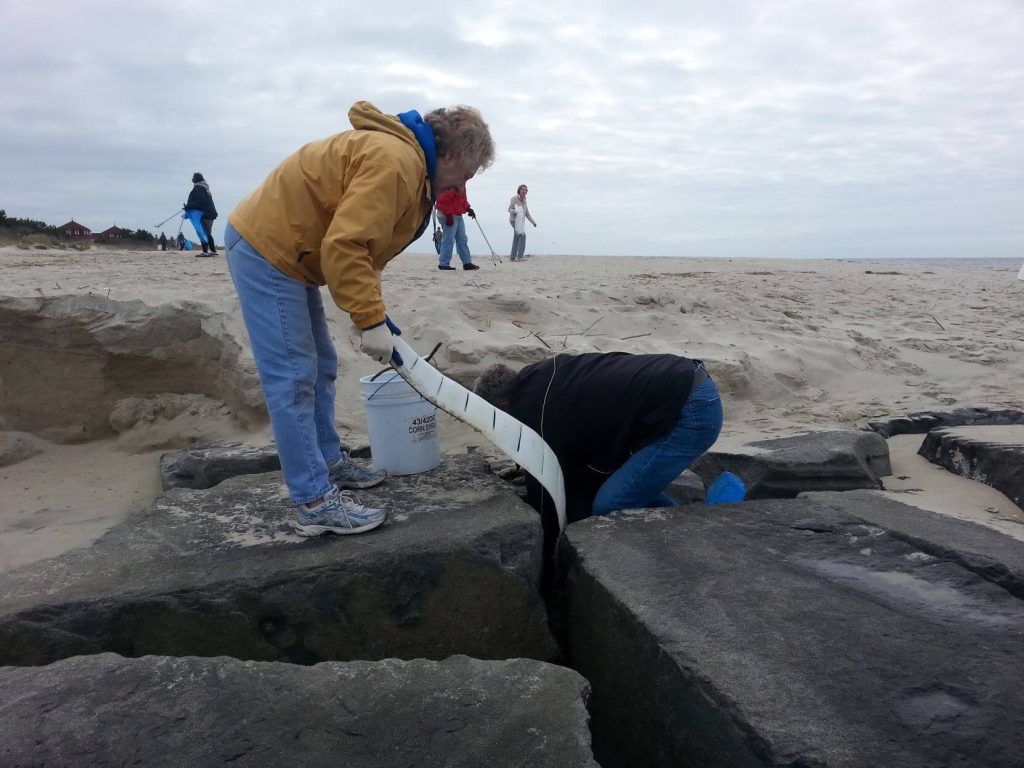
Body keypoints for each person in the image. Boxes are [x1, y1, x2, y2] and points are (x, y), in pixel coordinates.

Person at [225, 100, 495, 537]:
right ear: (450, 155)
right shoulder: (396, 164)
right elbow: (346, 246)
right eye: (466, 173)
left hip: (294, 253)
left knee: (322, 367)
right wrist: (367, 318)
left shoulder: (410, 167)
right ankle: (313, 501)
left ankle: (329, 462)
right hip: (267, 248)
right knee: (293, 376)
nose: (463, 184)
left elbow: (366, 251)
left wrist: (372, 314)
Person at [474, 352, 722, 537]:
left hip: (691, 412)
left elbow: (547, 488)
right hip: (686, 383)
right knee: (625, 485)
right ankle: (688, 526)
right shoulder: (539, 376)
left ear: (504, 407)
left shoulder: (534, 411)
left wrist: (552, 546)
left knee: (611, 503)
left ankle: (692, 538)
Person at [434, 188, 479, 271]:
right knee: (448, 239)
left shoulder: (461, 182)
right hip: (448, 213)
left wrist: (467, 208)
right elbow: (444, 198)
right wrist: (448, 214)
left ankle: (467, 263)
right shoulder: (451, 179)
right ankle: (443, 264)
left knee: (462, 239)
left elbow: (461, 198)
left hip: (457, 214)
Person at [184, 172, 218, 256]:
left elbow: (200, 201)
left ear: (196, 179)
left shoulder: (199, 188)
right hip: (210, 213)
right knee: (207, 233)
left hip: (204, 214)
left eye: (193, 177)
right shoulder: (205, 188)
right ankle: (213, 251)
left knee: (203, 232)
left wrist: (189, 206)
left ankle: (205, 251)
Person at [507, 184, 536, 261]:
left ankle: (512, 257)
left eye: (526, 190)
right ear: (519, 190)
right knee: (522, 235)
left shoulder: (525, 200)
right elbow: (509, 209)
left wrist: (533, 222)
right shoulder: (514, 198)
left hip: (521, 222)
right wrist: (515, 211)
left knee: (516, 238)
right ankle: (520, 257)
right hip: (514, 220)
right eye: (523, 189)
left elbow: (527, 214)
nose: (524, 191)